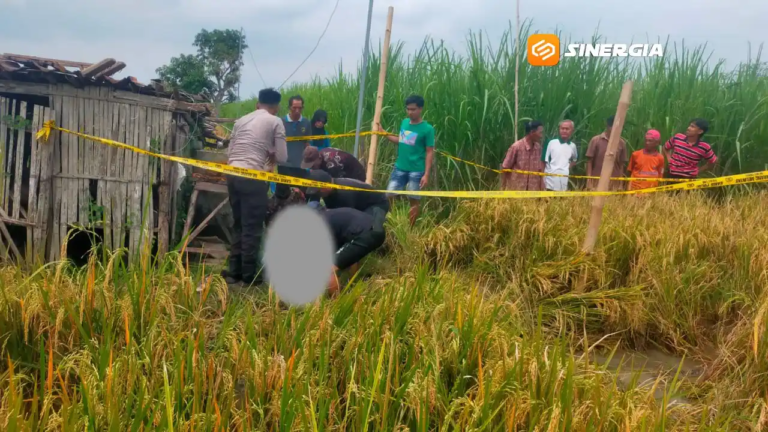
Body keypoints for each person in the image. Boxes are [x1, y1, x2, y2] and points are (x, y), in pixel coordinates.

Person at [224, 88, 287, 287]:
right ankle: (249, 276)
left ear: (258, 104)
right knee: (252, 227)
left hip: (232, 174)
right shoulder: (275, 121)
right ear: (276, 107)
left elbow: (230, 152)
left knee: (239, 223)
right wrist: (271, 152)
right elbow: (283, 157)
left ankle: (233, 272)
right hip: (253, 176)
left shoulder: (241, 120)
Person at [377, 94, 435, 227]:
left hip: (416, 170)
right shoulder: (404, 123)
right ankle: (392, 223)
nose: (410, 112)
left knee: (413, 200)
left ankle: (409, 229)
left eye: (413, 109)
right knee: (389, 195)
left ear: (420, 109)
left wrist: (426, 174)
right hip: (400, 168)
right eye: (408, 109)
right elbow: (402, 141)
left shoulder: (427, 129)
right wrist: (384, 133)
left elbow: (429, 152)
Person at [320, 207, 386, 296]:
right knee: (350, 252)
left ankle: (337, 302)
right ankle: (353, 283)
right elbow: (349, 252)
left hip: (365, 233)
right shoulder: (329, 216)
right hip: (377, 230)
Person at [305, 169, 389, 231]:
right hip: (359, 205)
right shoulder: (327, 192)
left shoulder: (345, 192)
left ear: (326, 186)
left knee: (370, 229)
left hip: (377, 204)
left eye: (318, 191)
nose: (318, 194)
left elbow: (350, 218)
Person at [276, 95, 312, 199]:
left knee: (301, 194)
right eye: (294, 108)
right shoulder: (281, 122)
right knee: (283, 193)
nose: (297, 111)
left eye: (300, 108)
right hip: (284, 164)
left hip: (300, 165)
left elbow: (307, 143)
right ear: (289, 107)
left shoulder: (306, 123)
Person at [586, 115, 628, 191]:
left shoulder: (621, 143)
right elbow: (589, 162)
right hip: (596, 182)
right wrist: (589, 181)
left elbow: (621, 165)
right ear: (608, 126)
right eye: (614, 127)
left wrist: (620, 184)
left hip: (614, 183)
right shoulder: (596, 140)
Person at [501, 120, 545, 191]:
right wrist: (502, 188)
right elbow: (505, 167)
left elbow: (540, 170)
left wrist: (542, 187)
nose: (541, 136)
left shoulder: (538, 148)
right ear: (532, 132)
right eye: (540, 133)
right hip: (517, 190)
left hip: (533, 191)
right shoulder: (516, 147)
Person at [542, 120, 578, 191]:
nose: (564, 131)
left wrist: (567, 168)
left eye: (567, 129)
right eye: (562, 128)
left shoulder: (572, 146)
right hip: (549, 180)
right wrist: (542, 179)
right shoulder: (551, 143)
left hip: (563, 180)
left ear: (572, 130)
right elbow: (543, 161)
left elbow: (575, 159)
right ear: (559, 129)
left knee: (560, 197)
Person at [301, 146, 366, 182]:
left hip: (356, 176)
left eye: (312, 166)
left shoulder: (332, 165)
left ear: (319, 158)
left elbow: (335, 186)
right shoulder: (320, 155)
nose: (311, 168)